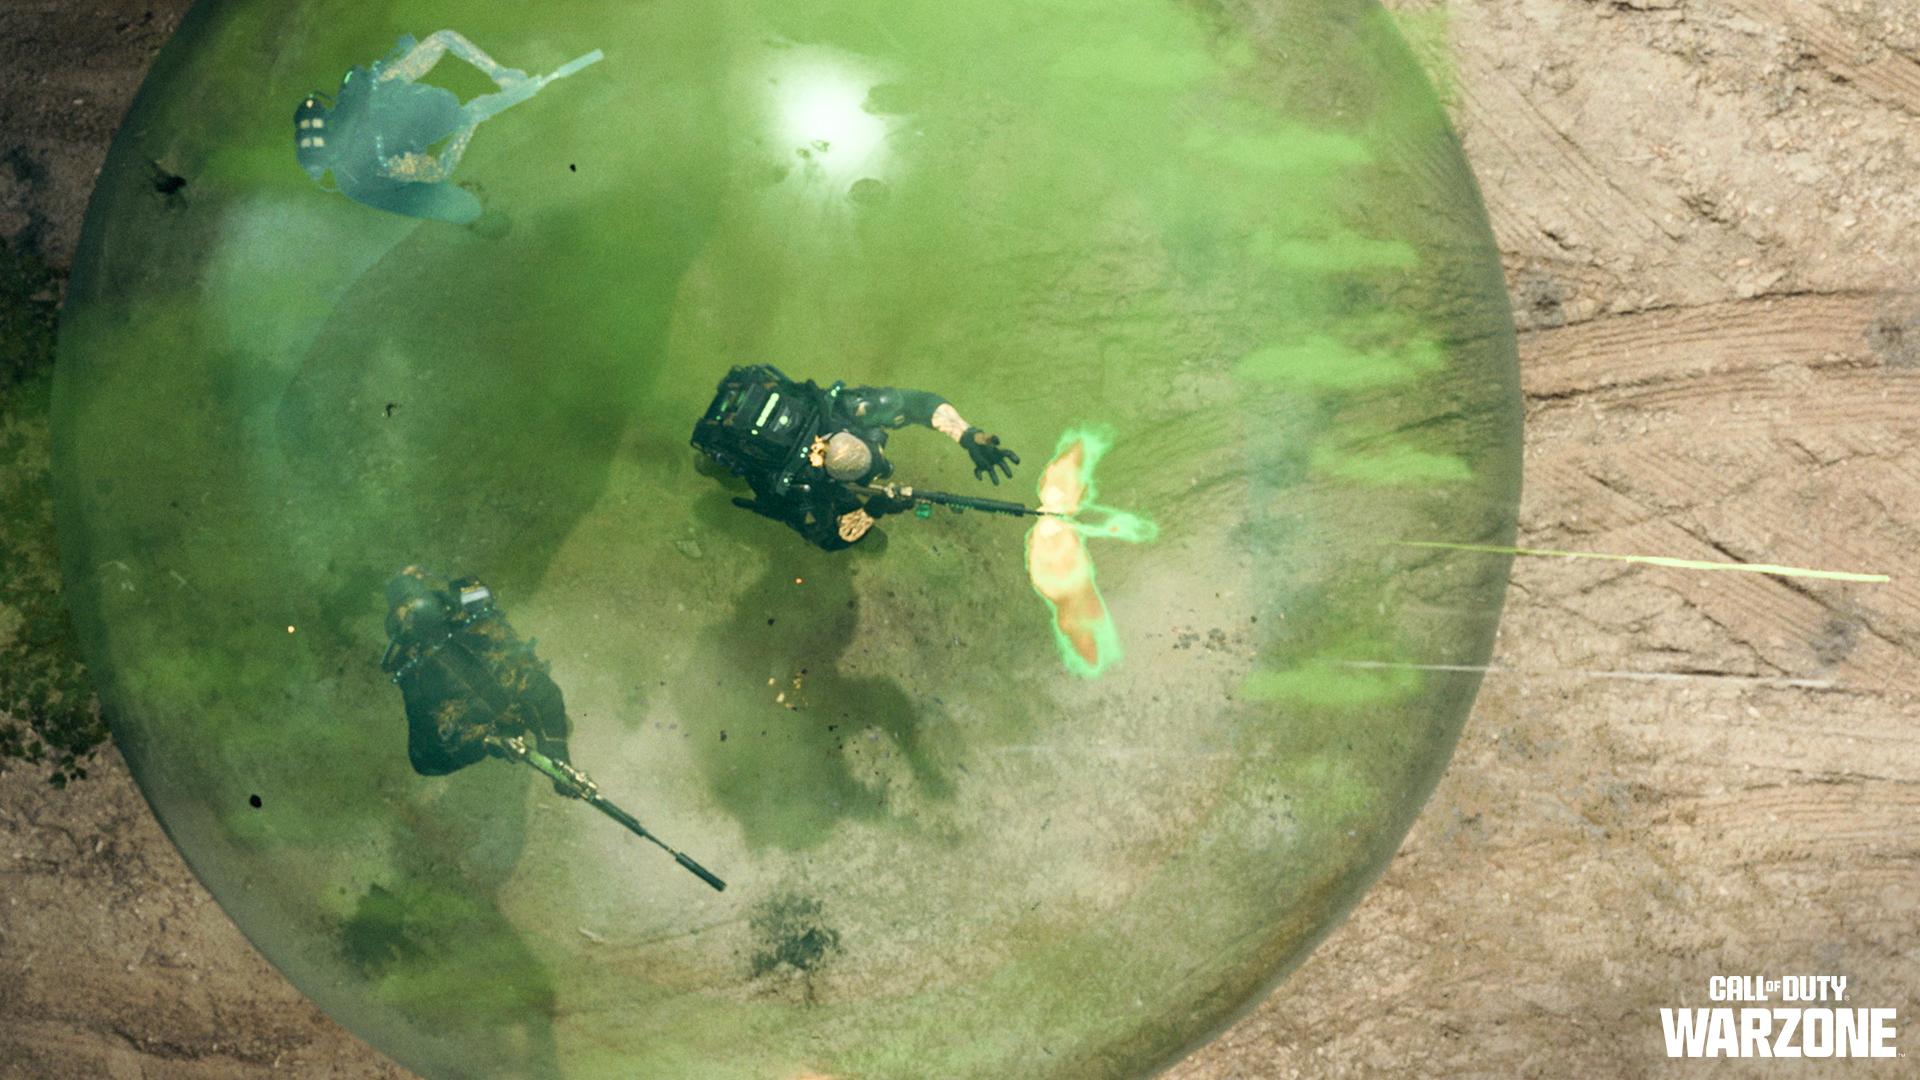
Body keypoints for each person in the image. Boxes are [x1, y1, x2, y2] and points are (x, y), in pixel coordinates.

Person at [691, 365, 1021, 550]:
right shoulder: (804, 488)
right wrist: (872, 510)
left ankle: (712, 463)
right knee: (736, 472)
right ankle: (713, 467)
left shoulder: (842, 411)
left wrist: (967, 434)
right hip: (752, 460)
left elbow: (917, 404)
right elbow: (829, 539)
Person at [380, 566, 572, 778]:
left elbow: (538, 686)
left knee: (539, 694)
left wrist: (556, 748)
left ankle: (550, 738)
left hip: (514, 700)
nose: (410, 613)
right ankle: (534, 733)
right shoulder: (412, 669)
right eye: (404, 610)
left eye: (414, 604)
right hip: (478, 727)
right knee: (429, 753)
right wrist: (480, 740)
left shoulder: (468, 618)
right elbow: (425, 757)